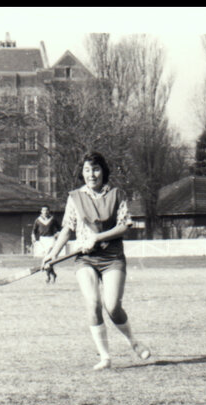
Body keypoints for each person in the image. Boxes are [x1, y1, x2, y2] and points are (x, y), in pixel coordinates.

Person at [41, 151, 150, 370]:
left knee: (112, 307)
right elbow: (68, 228)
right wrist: (53, 254)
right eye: (87, 170)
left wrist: (97, 238)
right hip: (85, 259)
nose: (91, 174)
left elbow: (124, 226)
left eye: (96, 169)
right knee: (93, 304)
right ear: (82, 173)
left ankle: (133, 342)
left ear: (103, 171)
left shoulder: (117, 194)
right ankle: (105, 357)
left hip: (112, 258)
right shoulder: (75, 197)